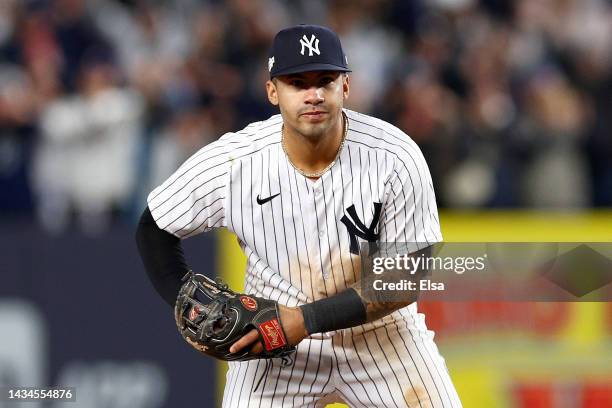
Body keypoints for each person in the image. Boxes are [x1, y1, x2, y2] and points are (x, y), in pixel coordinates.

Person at [136, 24, 462, 407]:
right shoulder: (234, 162)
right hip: (273, 348)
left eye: (325, 80)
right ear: (273, 90)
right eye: (297, 82)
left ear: (346, 86)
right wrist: (187, 302)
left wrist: (305, 319)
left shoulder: (395, 156)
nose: (313, 95)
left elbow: (407, 276)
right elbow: (153, 228)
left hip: (384, 340)